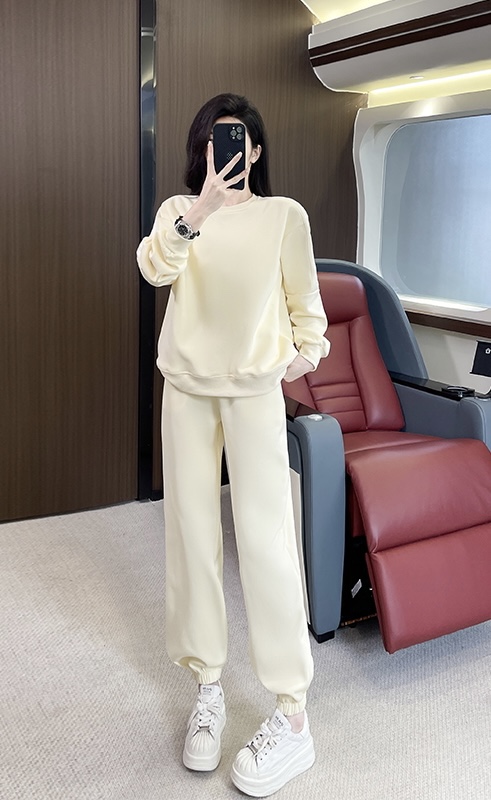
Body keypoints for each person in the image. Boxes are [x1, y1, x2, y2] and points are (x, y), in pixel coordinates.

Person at [137, 93, 330, 797]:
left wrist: (294, 359)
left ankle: (292, 714)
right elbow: (154, 269)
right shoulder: (178, 213)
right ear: (203, 150)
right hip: (186, 392)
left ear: (254, 150)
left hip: (253, 394)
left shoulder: (284, 216)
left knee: (266, 540)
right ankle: (209, 689)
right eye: (214, 140)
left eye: (238, 139)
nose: (226, 150)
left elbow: (308, 310)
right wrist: (200, 212)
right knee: (192, 537)